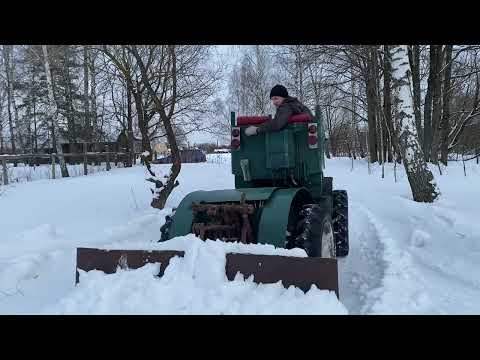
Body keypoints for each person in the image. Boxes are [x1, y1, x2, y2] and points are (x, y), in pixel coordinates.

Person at [245, 84, 313, 136]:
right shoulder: (295, 104)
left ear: (283, 97)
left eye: (276, 98)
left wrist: (257, 129)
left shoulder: (286, 106)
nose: (274, 102)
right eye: (272, 99)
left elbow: (277, 124)